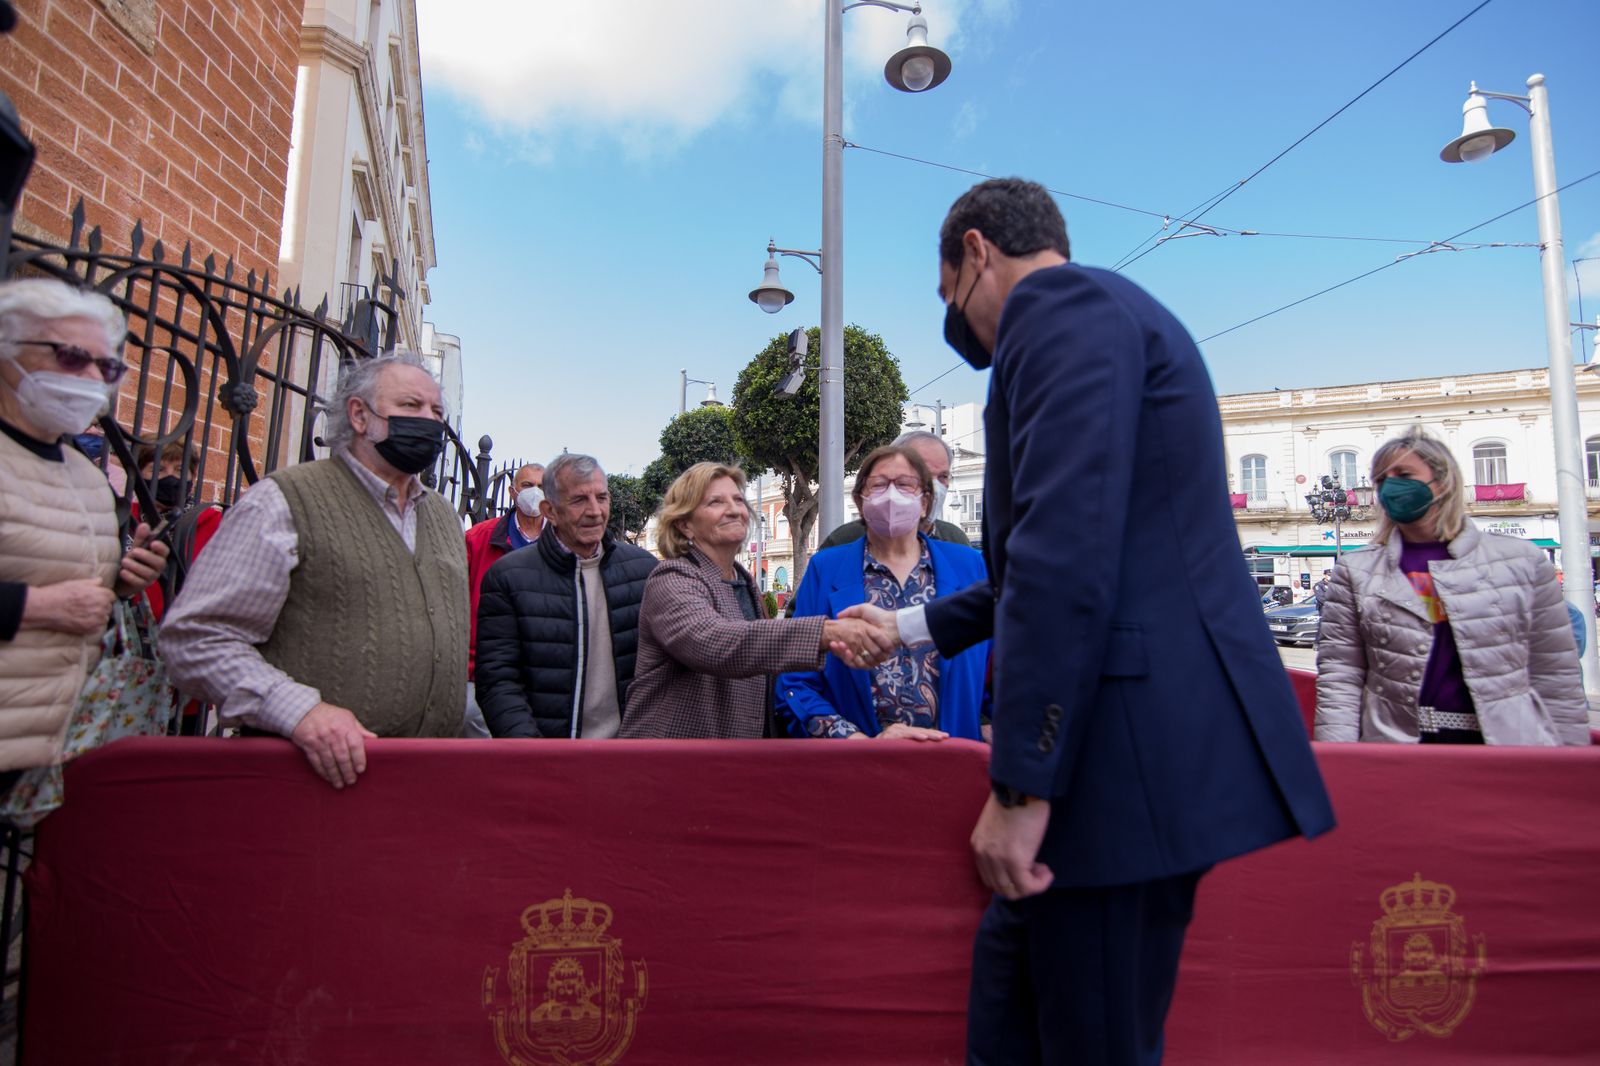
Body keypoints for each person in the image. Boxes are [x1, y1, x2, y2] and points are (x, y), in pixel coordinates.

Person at [843, 178, 1335, 1063]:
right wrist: (905, 628)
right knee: (1014, 1020)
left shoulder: (1059, 310)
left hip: (1117, 770)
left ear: (977, 252)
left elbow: (1064, 560)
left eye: (948, 292)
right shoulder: (1102, 317)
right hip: (1114, 763)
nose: (954, 320)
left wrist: (1020, 789)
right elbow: (1050, 560)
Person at [162, 354, 469, 789]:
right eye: (411, 406)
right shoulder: (283, 502)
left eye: (437, 412)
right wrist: (299, 710)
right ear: (360, 415)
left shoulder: (442, 515)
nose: (429, 421)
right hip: (309, 782)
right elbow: (195, 639)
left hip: (423, 781)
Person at [1315, 428, 1589, 746]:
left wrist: (1569, 760)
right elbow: (1341, 673)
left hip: (1510, 748)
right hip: (1397, 749)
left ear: (1443, 483)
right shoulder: (1355, 569)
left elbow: (1554, 671)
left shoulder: (1521, 560)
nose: (1390, 486)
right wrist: (1340, 758)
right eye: (1381, 480)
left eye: (1403, 474)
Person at [0, 278, 169, 784]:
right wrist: (37, 608)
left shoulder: (87, 477)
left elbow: (64, 578)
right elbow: (50, 599)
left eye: (107, 366)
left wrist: (120, 581)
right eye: (73, 357)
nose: (93, 377)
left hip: (46, 749)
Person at [618, 463, 895, 739]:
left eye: (738, 499)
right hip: (668, 767)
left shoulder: (743, 581)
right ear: (684, 524)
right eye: (716, 502)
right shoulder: (673, 577)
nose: (734, 509)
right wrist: (828, 631)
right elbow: (715, 642)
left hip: (730, 764)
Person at [776, 444, 989, 742]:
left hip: (953, 758)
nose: (892, 495)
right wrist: (853, 740)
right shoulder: (826, 569)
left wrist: (994, 724)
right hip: (858, 766)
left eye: (904, 484)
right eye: (878, 485)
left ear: (925, 501)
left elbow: (1004, 667)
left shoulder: (970, 566)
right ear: (860, 501)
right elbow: (795, 680)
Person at [475, 454, 658, 739]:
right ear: (550, 511)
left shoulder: (644, 570)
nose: (595, 511)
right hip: (545, 759)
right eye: (579, 500)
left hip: (629, 755)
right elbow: (498, 680)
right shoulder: (508, 576)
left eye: (602, 497)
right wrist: (533, 753)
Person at [461, 462, 544, 738]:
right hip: (481, 671)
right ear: (512, 492)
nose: (535, 493)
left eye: (542, 487)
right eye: (527, 486)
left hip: (539, 672)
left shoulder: (563, 543)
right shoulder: (477, 540)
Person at [816, 429, 971, 551]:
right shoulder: (843, 542)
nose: (934, 487)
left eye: (943, 476)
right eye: (922, 473)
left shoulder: (956, 541)